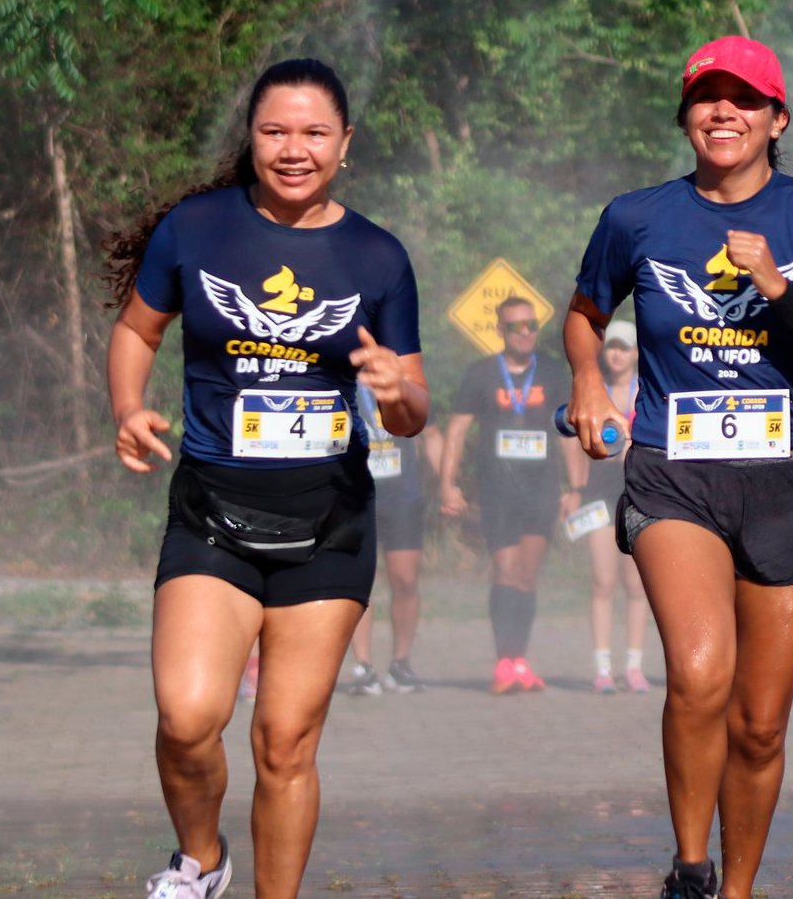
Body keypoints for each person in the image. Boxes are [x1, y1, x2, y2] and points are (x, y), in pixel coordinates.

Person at [562, 35, 793, 899]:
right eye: (707, 96)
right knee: (700, 676)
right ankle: (691, 868)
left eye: (745, 99)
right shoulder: (637, 216)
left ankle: (736, 888)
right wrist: (589, 380)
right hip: (676, 472)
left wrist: (777, 287)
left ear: (777, 119)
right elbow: (585, 313)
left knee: (761, 723)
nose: (723, 112)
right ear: (685, 114)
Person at [104, 58, 427, 899]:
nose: (294, 149)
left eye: (314, 133)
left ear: (345, 144)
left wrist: (398, 397)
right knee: (187, 719)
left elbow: (410, 406)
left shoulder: (377, 256)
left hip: (329, 525)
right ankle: (200, 860)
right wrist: (128, 407)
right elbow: (138, 329)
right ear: (250, 139)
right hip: (213, 515)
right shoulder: (197, 228)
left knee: (284, 740)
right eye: (275, 131)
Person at [441, 295, 562, 694]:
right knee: (506, 570)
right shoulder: (481, 373)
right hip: (498, 491)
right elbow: (457, 430)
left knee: (527, 574)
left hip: (542, 489)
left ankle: (520, 661)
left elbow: (572, 432)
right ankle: (503, 662)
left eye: (531, 325)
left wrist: (575, 489)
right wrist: (448, 483)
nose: (525, 332)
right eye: (515, 326)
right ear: (499, 331)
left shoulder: (554, 372)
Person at [560, 319, 654, 694]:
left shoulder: (646, 391)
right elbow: (569, 437)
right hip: (598, 494)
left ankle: (633, 666)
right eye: (611, 347)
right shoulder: (590, 389)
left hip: (640, 493)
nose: (616, 354)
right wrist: (573, 487)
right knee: (602, 581)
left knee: (636, 586)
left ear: (635, 354)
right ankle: (602, 668)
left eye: (623, 348)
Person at [345, 386, 444, 695]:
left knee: (405, 580)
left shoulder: (401, 380)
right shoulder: (339, 378)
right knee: (361, 582)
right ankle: (364, 666)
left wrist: (447, 483)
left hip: (403, 498)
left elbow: (433, 434)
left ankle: (401, 664)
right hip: (355, 497)